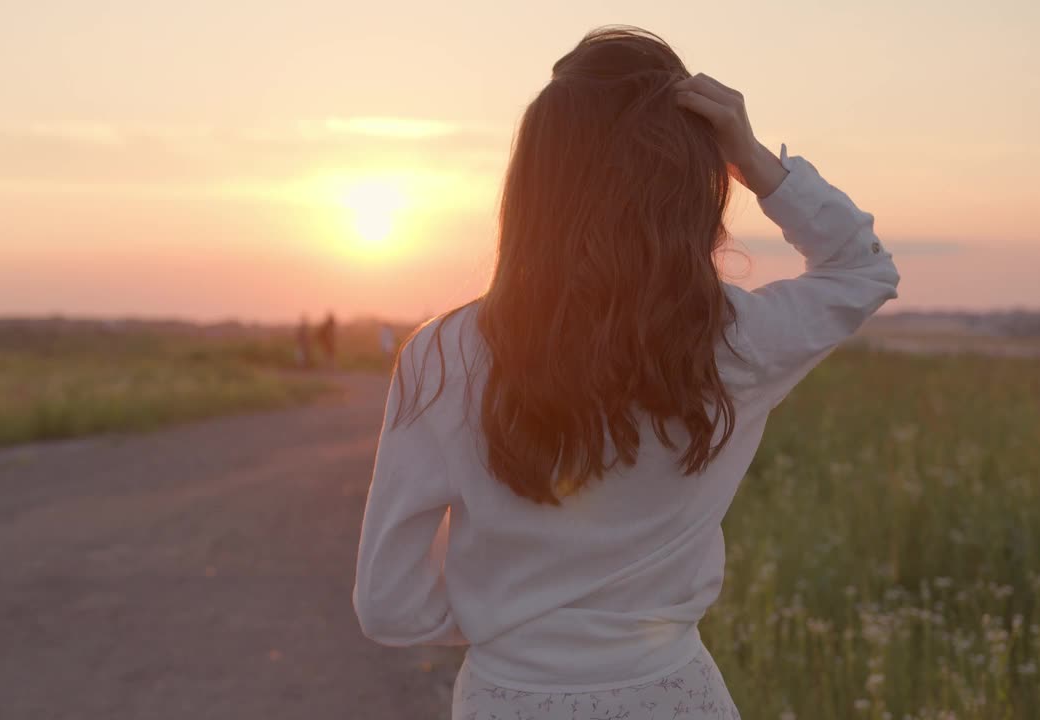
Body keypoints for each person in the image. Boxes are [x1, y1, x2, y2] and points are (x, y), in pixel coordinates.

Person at [353, 26, 899, 720]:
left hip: (510, 698)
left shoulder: (443, 353)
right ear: (689, 181)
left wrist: (516, 629)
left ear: (536, 182)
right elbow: (863, 268)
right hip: (674, 695)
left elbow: (388, 607)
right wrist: (756, 161)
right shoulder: (736, 340)